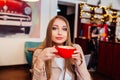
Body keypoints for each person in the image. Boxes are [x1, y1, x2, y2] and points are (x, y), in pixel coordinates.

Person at [32, 15, 92, 80]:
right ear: (49, 31)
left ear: (68, 32)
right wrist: (40, 61)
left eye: (64, 29)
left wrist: (79, 63)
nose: (60, 33)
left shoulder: (76, 48)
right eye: (54, 28)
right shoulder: (39, 52)